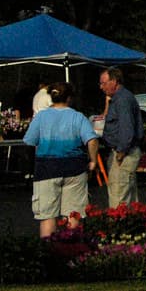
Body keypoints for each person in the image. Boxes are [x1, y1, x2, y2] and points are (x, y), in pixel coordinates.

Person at [22, 82, 99, 237]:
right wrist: (93, 161)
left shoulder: (41, 117)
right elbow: (92, 140)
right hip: (74, 169)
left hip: (47, 169)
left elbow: (29, 141)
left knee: (47, 216)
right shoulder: (78, 116)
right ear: (70, 98)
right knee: (73, 214)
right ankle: (72, 249)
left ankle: (49, 251)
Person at [100, 66, 143, 208]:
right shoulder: (120, 98)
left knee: (119, 198)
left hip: (124, 154)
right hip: (124, 152)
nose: (101, 87)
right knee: (128, 196)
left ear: (114, 81)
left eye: (104, 83)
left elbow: (127, 127)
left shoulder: (122, 100)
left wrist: (121, 151)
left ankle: (119, 228)